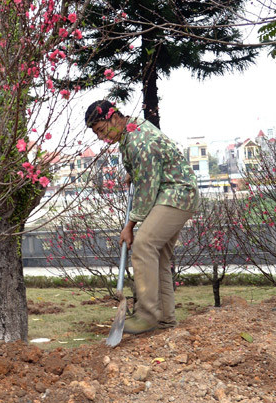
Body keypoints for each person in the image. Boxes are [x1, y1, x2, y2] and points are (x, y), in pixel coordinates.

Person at [85, 100, 199, 335]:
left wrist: (130, 225)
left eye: (103, 130)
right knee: (158, 258)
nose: (102, 137)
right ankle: (165, 321)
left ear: (114, 117)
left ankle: (146, 316)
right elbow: (150, 165)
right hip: (173, 193)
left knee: (144, 245)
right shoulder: (132, 130)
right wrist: (134, 172)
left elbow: (146, 191)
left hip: (175, 194)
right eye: (97, 134)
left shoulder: (137, 141)